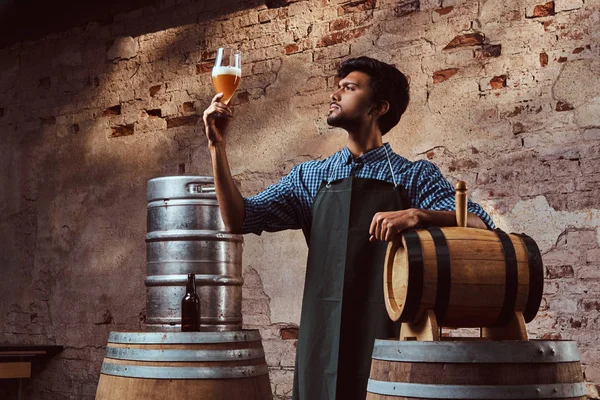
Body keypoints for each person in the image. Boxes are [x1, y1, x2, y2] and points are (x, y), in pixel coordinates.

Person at [203, 56, 495, 400]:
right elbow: (240, 218)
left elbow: (480, 223)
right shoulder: (310, 177)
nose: (335, 94)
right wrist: (217, 147)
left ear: (379, 107)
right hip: (322, 334)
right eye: (337, 87)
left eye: (349, 88)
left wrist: (417, 215)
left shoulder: (413, 175)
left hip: (389, 330)